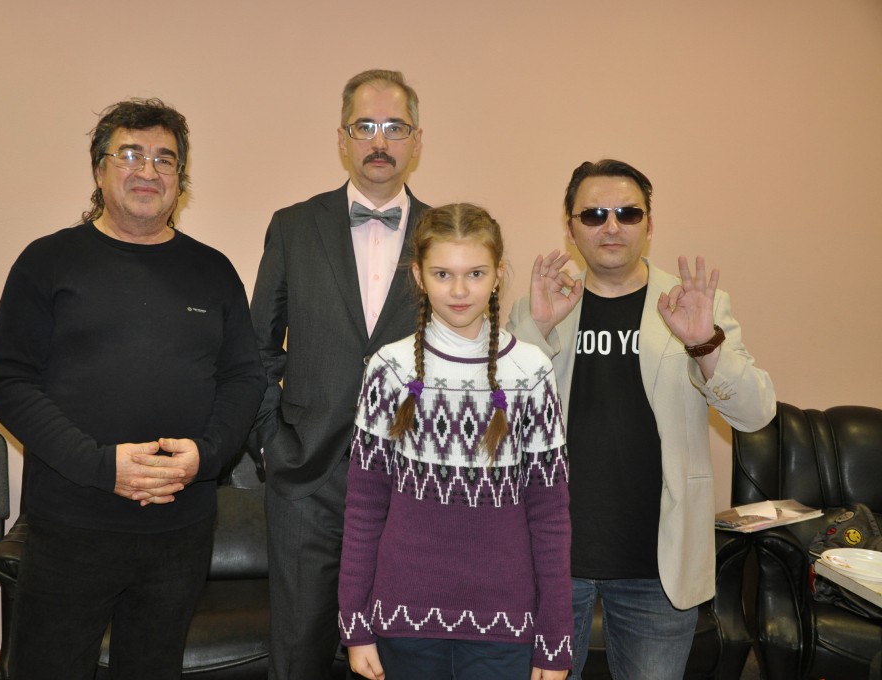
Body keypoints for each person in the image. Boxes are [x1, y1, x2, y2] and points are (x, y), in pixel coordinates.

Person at [0, 98, 265, 679]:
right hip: (72, 523)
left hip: (180, 526)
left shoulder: (213, 270)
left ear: (180, 179)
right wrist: (101, 465)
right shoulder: (47, 261)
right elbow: (8, 383)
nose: (148, 171)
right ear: (99, 169)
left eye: (165, 159)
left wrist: (206, 456)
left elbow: (244, 377)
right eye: (130, 154)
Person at [507, 159, 776, 679]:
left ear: (649, 225)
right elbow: (498, 424)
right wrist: (536, 331)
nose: (611, 226)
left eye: (628, 213)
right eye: (594, 215)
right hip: (549, 557)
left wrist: (705, 344)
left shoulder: (695, 305)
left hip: (658, 564)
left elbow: (755, 414)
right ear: (570, 226)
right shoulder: (538, 306)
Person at [338, 203, 573, 680]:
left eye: (476, 274)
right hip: (402, 621)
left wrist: (555, 639)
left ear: (498, 275)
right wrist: (355, 625)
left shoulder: (531, 371)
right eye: (443, 274)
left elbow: (550, 516)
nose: (460, 291)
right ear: (419, 276)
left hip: (506, 627)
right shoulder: (389, 368)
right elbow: (364, 506)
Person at [249, 68, 429, 679]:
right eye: (364, 126)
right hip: (307, 478)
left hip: (414, 480)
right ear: (342, 138)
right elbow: (255, 349)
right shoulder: (293, 226)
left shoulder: (447, 234)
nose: (379, 141)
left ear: (417, 140)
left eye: (395, 127)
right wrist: (272, 441)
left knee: (404, 653)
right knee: (299, 653)